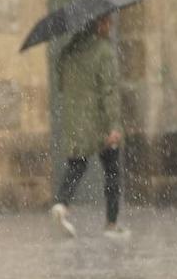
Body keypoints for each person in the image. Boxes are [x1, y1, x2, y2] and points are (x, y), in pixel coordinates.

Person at [49, 12, 126, 238]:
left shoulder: (70, 50)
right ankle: (111, 224)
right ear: (99, 24)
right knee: (112, 170)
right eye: (108, 22)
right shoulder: (104, 51)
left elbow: (61, 82)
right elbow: (109, 90)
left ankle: (61, 204)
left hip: (75, 118)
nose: (110, 26)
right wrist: (113, 125)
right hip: (100, 120)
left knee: (77, 165)